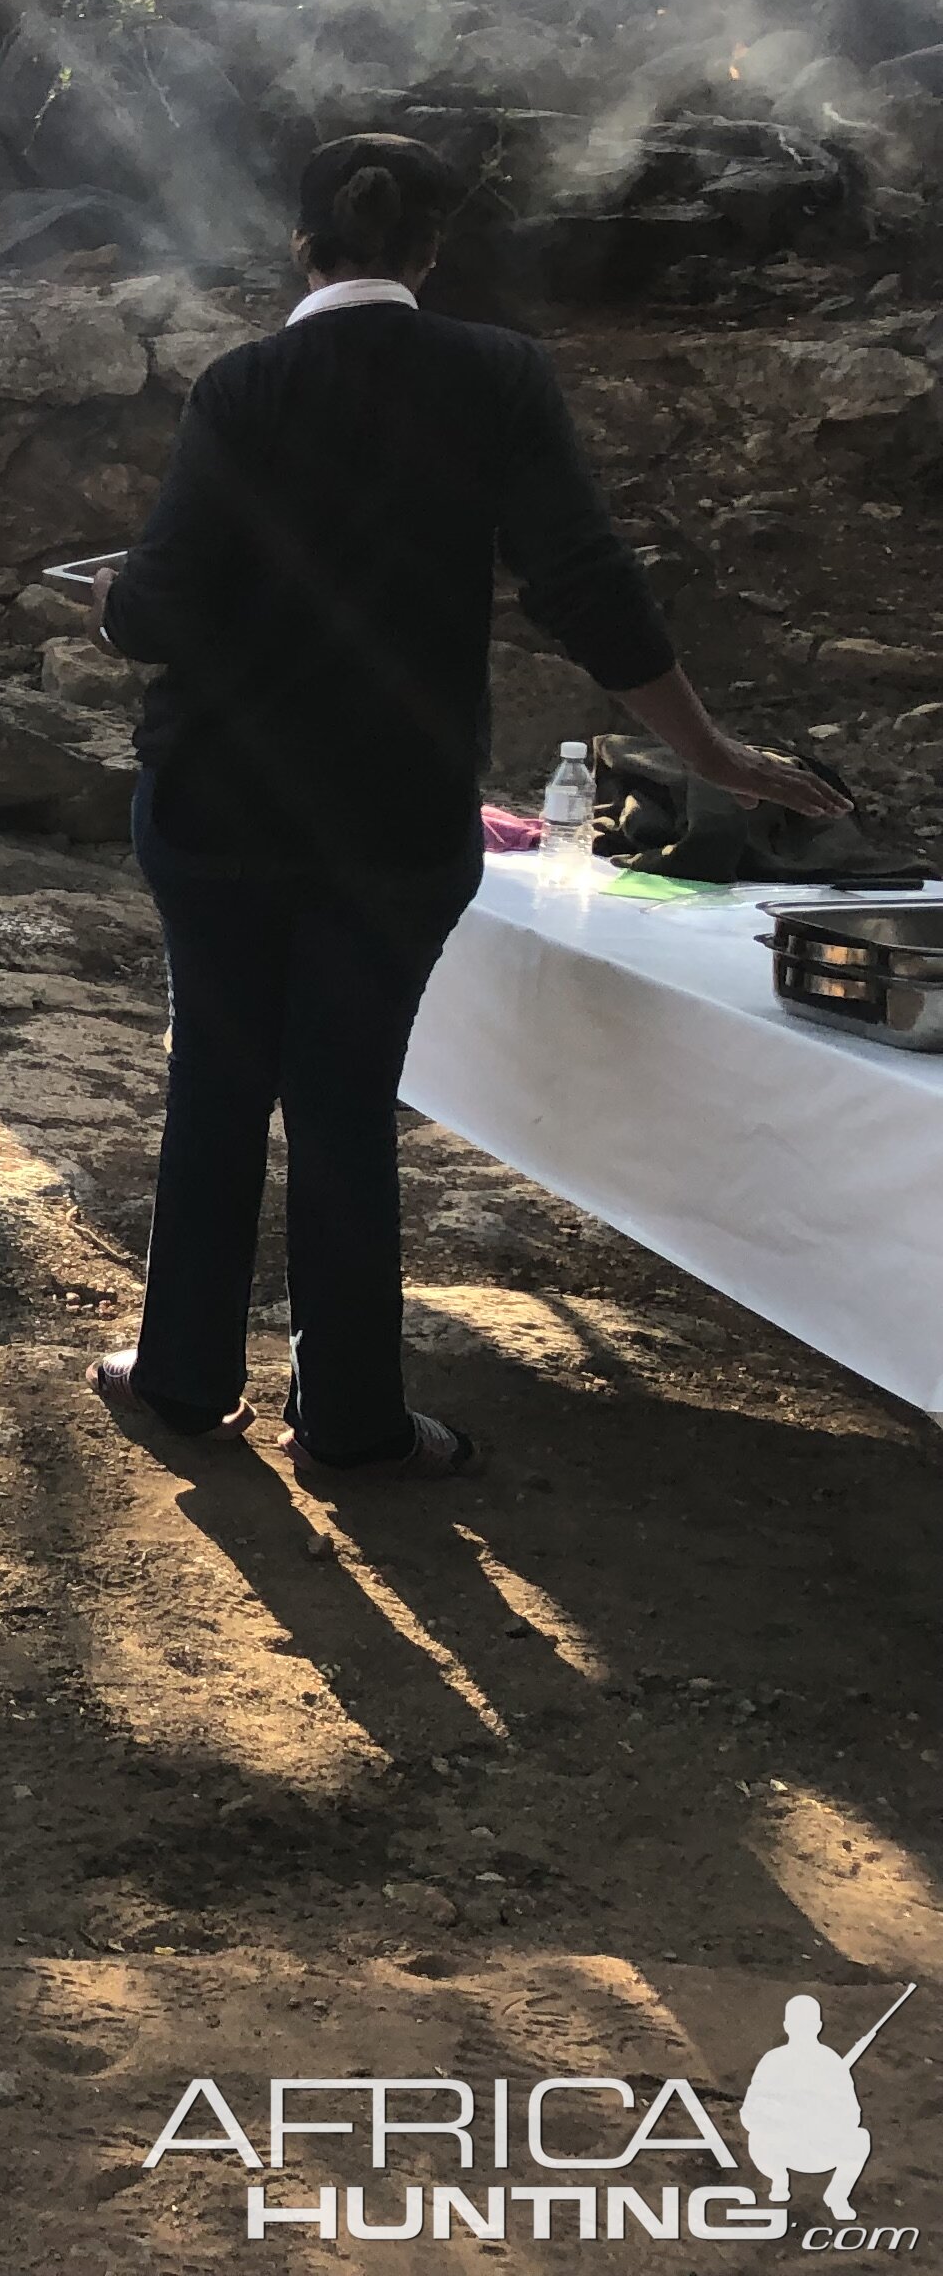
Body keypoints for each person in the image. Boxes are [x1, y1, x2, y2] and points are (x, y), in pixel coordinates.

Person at [92, 132, 838, 1480]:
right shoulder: (497, 378)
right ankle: (355, 1420)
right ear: (430, 254)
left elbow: (153, 612)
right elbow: (588, 585)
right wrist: (712, 753)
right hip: (395, 816)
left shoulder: (244, 387)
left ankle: (185, 1379)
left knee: (217, 1079)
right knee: (344, 1103)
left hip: (217, 806)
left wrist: (112, 598)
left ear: (300, 246)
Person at [741, 1994, 876, 2220]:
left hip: (821, 2148)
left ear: (817, 2027)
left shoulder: (831, 2062)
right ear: (787, 2026)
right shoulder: (773, 2061)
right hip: (780, 2148)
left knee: (860, 2138)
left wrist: (822, 2115)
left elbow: (853, 2115)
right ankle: (779, 2179)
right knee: (756, 2137)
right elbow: (750, 2112)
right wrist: (781, 2115)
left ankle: (838, 2195)